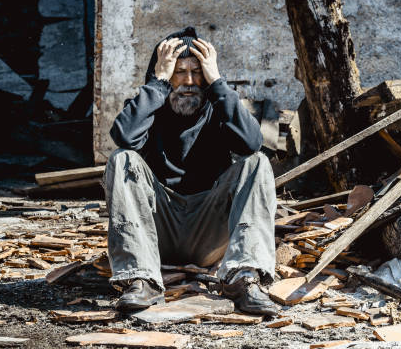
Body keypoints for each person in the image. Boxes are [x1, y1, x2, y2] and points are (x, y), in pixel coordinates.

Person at [103, 27, 279, 316]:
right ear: (162, 73)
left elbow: (251, 143)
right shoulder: (148, 106)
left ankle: (244, 279)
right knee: (123, 158)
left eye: (196, 72)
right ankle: (141, 280)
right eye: (178, 71)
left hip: (208, 229)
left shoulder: (218, 107)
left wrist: (217, 82)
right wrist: (157, 84)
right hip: (159, 232)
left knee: (256, 162)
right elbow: (124, 136)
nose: (187, 81)